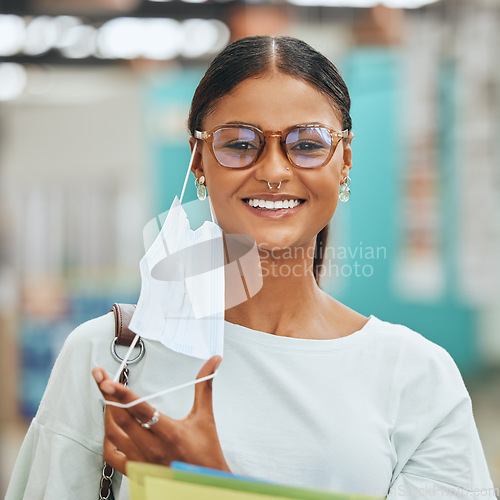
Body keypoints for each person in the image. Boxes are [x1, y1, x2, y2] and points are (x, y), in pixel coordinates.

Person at [6, 36, 495, 500]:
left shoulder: (415, 375)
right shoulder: (110, 356)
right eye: (239, 144)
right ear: (199, 161)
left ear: (344, 159)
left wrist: (208, 485)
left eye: (307, 144)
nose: (275, 171)